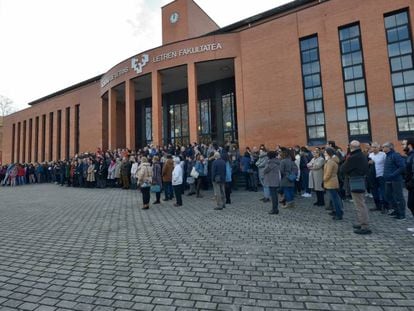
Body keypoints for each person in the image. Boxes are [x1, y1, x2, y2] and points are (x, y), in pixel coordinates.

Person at [341, 140, 371, 234]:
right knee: (360, 203)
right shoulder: (361, 155)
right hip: (360, 179)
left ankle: (364, 226)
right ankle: (361, 222)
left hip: (356, 180)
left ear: (350, 147)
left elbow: (343, 168)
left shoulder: (353, 157)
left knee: (360, 205)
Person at [382, 142, 406, 220]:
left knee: (398, 196)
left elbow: (402, 167)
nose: (383, 149)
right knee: (389, 195)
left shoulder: (395, 155)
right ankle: (396, 210)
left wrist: (393, 174)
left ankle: (402, 214)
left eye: (384, 147)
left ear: (390, 147)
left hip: (396, 180)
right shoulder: (387, 156)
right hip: (388, 180)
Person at [323, 147, 343, 220]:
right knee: (335, 198)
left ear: (329, 153)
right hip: (332, 181)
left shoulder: (330, 162)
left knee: (335, 199)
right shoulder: (331, 160)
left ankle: (338, 213)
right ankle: (338, 212)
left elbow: (328, 173)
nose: (324, 154)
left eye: (325, 152)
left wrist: (324, 180)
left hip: (331, 182)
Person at [368, 142, 387, 212]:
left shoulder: (383, 155)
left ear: (379, 147)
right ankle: (377, 206)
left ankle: (385, 206)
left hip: (381, 175)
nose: (374, 148)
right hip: (373, 176)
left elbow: (386, 164)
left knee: (383, 191)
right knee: (374, 192)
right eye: (373, 147)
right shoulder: (370, 155)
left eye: (375, 147)